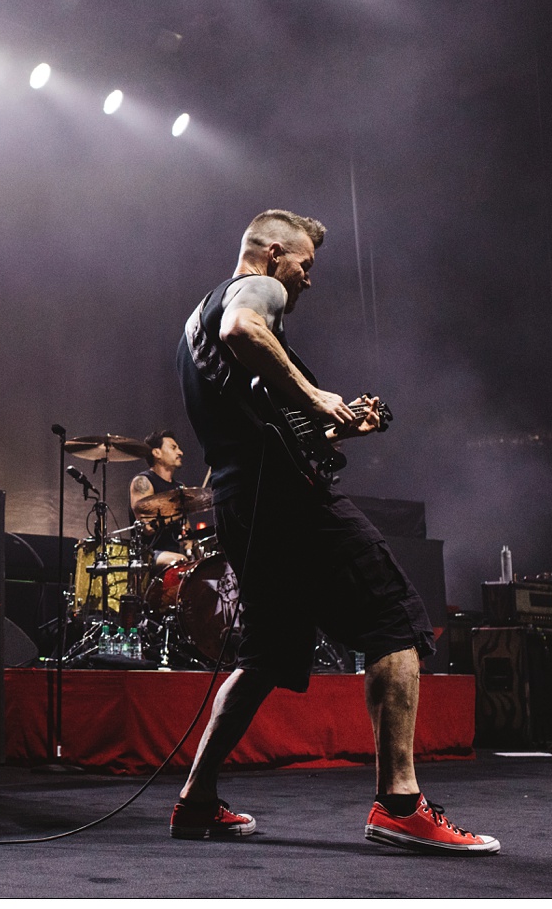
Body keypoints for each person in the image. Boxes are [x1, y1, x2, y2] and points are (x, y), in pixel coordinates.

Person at [169, 208, 499, 855]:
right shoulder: (249, 293)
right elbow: (245, 326)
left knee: (263, 655)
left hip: (245, 502)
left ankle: (197, 800)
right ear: (269, 253)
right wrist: (320, 398)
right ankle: (399, 803)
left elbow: (267, 425)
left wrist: (340, 424)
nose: (308, 280)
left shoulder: (195, 327)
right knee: (397, 619)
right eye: (304, 265)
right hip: (289, 501)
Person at [129, 430, 190, 574]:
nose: (180, 452)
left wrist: (193, 545)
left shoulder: (180, 488)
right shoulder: (143, 481)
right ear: (157, 453)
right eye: (174, 448)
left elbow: (187, 532)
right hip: (148, 553)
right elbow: (147, 528)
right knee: (181, 561)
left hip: (175, 552)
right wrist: (177, 512)